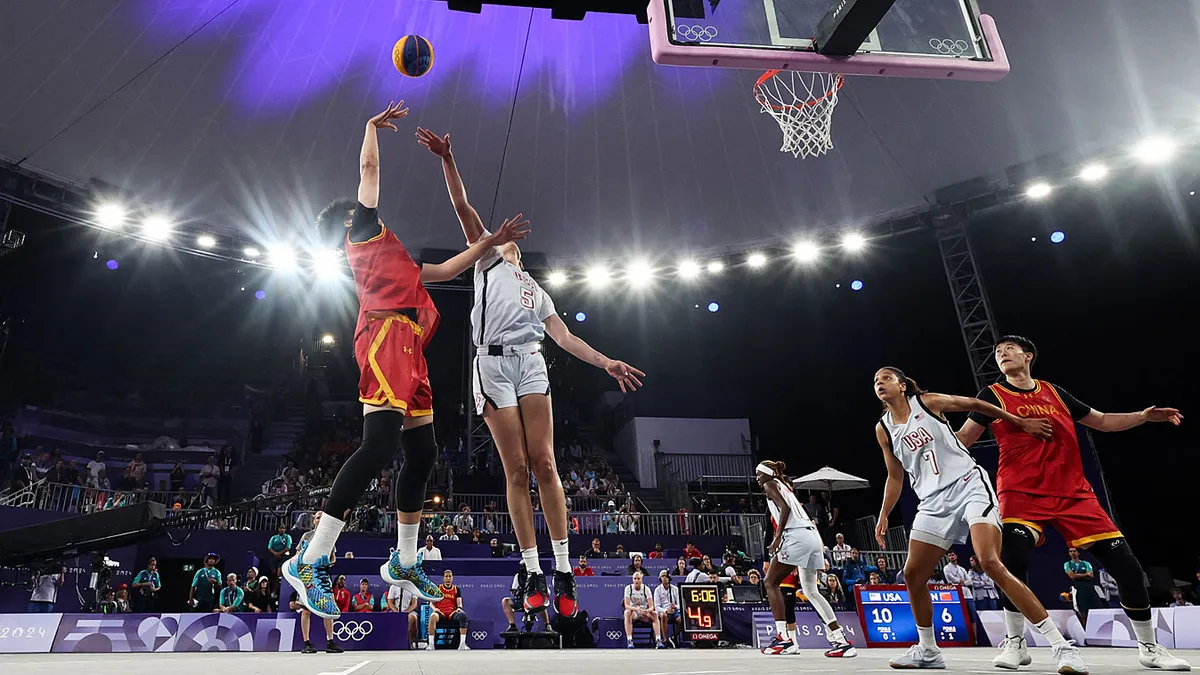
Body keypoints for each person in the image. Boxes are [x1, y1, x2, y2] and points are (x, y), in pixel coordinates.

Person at [287, 102, 530, 619]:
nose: (368, 206)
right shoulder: (363, 234)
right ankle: (311, 558)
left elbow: (442, 271)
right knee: (378, 448)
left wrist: (493, 241)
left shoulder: (392, 252)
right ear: (350, 221)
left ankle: (403, 560)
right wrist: (371, 128)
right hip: (384, 335)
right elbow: (369, 171)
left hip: (411, 344)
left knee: (422, 453)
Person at [417, 126, 641, 620]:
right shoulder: (488, 260)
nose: (509, 240)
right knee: (516, 468)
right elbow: (462, 207)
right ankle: (531, 566)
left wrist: (606, 361)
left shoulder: (537, 290)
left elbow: (564, 337)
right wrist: (448, 158)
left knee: (545, 464)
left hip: (531, 361)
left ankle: (562, 569)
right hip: (491, 363)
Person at [954, 336, 1189, 671]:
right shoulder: (991, 396)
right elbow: (964, 439)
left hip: (1074, 493)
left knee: (1128, 568)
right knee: (1013, 559)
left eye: (1009, 349)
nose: (1002, 354)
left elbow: (1103, 421)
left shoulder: (1056, 393)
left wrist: (1143, 416)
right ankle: (1015, 642)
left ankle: (1150, 647)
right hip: (1021, 492)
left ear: (1028, 356)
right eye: (997, 352)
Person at [872, 366, 1084, 672]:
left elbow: (975, 404)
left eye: (886, 379)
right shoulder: (884, 428)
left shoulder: (927, 402)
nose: (880, 384)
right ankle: (929, 650)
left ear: (903, 385)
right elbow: (894, 476)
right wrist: (883, 515)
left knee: (989, 561)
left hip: (968, 485)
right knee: (912, 575)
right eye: (876, 382)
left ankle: (1061, 646)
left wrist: (1018, 421)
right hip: (932, 502)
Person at [757, 461, 855, 658]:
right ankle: (840, 640)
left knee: (770, 582)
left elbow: (784, 509)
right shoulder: (786, 487)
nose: (757, 479)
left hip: (796, 537)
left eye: (759, 474)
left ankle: (784, 639)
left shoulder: (771, 484)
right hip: (812, 537)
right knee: (812, 591)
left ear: (768, 474)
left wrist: (777, 539)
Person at [428, 569, 470, 651]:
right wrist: (434, 609)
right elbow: (431, 603)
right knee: (433, 616)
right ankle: (431, 644)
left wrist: (459, 608)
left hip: (452, 612)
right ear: (443, 579)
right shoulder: (438, 588)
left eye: (450, 576)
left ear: (452, 578)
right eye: (446, 577)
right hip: (440, 612)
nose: (448, 578)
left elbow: (459, 603)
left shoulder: (456, 589)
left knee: (463, 616)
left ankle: (462, 644)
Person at [622, 571, 664, 649]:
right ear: (632, 580)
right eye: (635, 578)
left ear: (641, 580)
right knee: (627, 612)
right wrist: (636, 609)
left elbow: (652, 606)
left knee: (655, 614)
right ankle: (629, 640)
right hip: (633, 612)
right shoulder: (628, 588)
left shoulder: (646, 589)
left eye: (638, 579)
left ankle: (658, 640)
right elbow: (626, 605)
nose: (636, 580)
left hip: (644, 612)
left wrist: (646, 611)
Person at [653, 570, 681, 643]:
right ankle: (665, 640)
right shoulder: (657, 590)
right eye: (662, 576)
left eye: (666, 576)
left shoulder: (675, 589)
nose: (664, 578)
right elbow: (657, 607)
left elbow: (680, 604)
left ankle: (674, 636)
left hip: (675, 612)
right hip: (664, 612)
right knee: (663, 615)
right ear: (660, 578)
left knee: (682, 619)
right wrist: (665, 611)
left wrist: (675, 607)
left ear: (669, 578)